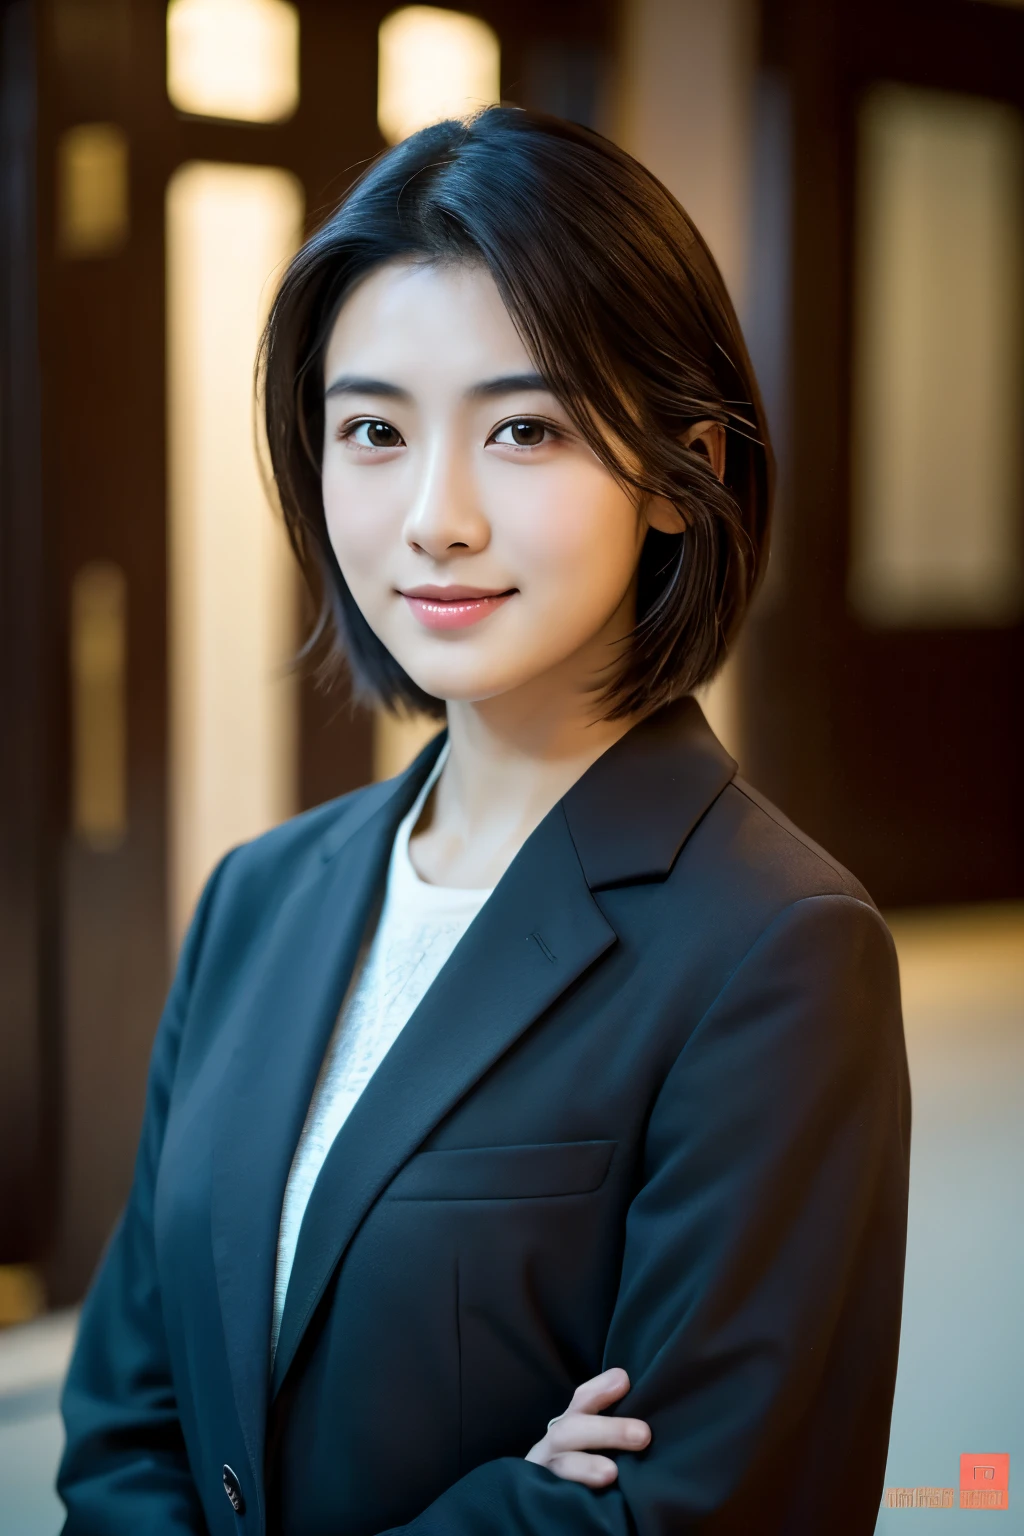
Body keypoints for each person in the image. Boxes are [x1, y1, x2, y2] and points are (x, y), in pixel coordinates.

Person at [58, 108, 910, 1536]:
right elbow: (130, 1421)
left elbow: (700, 1506)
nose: (434, 518)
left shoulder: (776, 951)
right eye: (374, 431)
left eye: (525, 428)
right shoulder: (259, 899)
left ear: (677, 473)